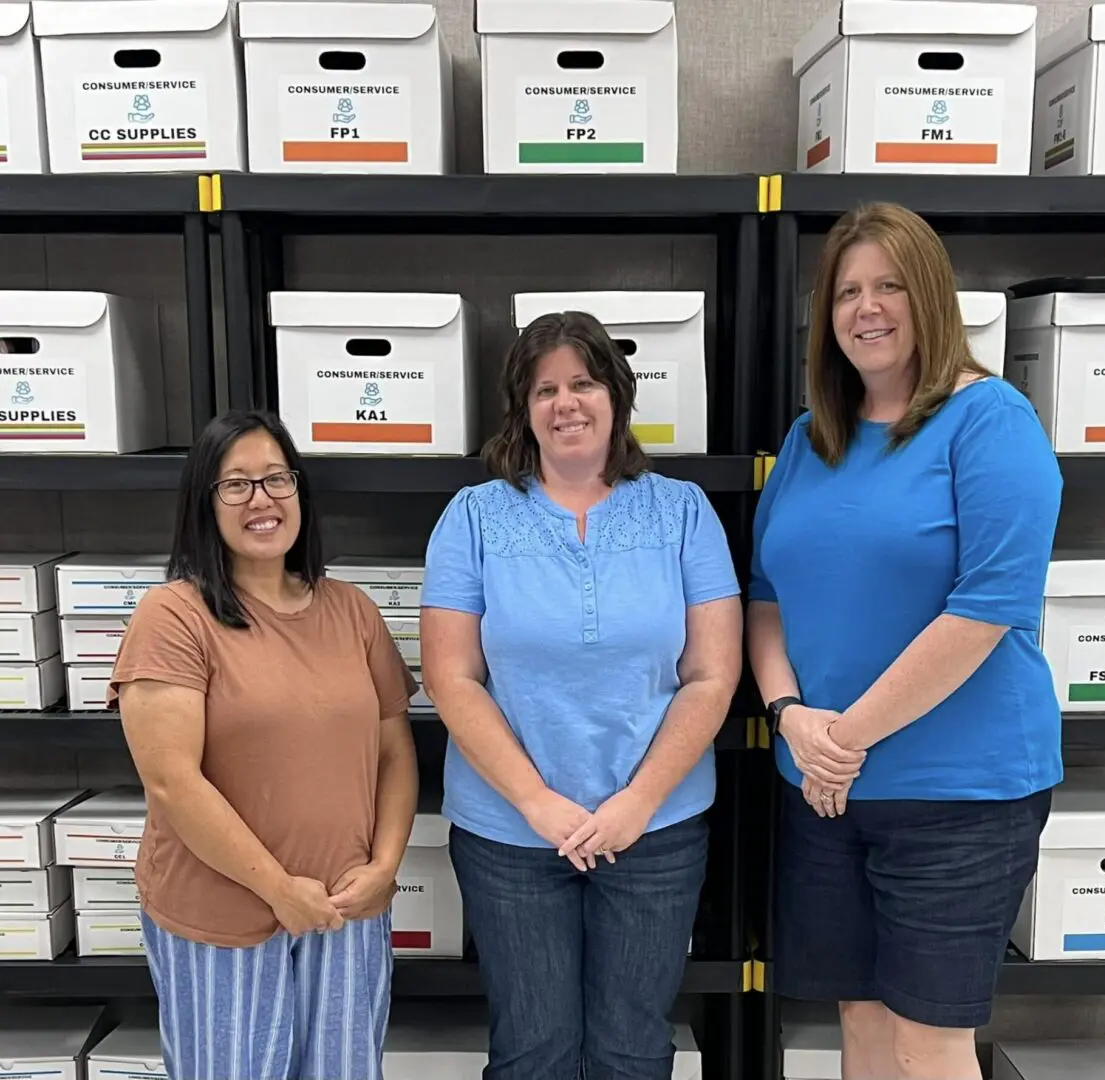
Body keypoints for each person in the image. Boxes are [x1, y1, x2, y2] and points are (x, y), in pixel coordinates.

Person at [747, 203, 1063, 1080]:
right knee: (861, 1019)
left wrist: (841, 740)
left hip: (957, 792)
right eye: (847, 291)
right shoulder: (812, 440)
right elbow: (766, 594)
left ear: (929, 294)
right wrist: (789, 715)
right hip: (825, 787)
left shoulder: (991, 421)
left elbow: (985, 608)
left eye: (889, 284)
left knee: (929, 1040)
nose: (867, 308)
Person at [420, 310, 742, 1080]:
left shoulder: (684, 513)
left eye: (584, 383)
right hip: (509, 835)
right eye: (545, 389)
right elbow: (451, 677)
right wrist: (536, 801)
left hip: (655, 831)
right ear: (522, 408)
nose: (566, 403)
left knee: (632, 1050)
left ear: (616, 396)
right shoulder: (474, 517)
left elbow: (712, 675)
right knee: (534, 1051)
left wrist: (636, 804)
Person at [110, 409, 418, 1080]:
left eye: (277, 479)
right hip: (223, 922)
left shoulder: (353, 612)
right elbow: (172, 783)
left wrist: (384, 868)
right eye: (237, 484)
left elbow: (394, 747)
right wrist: (280, 891)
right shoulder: (173, 617)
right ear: (204, 504)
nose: (263, 499)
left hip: (345, 913)